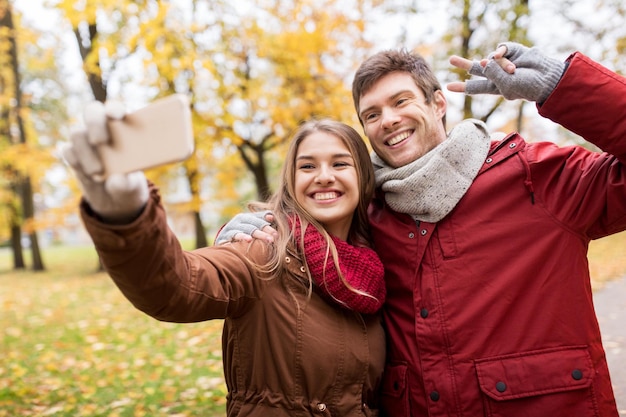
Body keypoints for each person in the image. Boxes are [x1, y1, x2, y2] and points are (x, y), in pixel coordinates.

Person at [216, 42, 626, 416]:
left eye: (401, 101)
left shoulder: (533, 176)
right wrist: (252, 230)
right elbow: (308, 263)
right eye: (371, 115)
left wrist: (563, 85)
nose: (388, 121)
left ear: (438, 104)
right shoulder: (370, 212)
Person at [62, 114, 388, 416]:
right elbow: (175, 286)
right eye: (307, 167)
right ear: (291, 181)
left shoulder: (377, 266)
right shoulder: (262, 249)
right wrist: (129, 217)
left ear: (363, 176)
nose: (324, 177)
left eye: (340, 163)